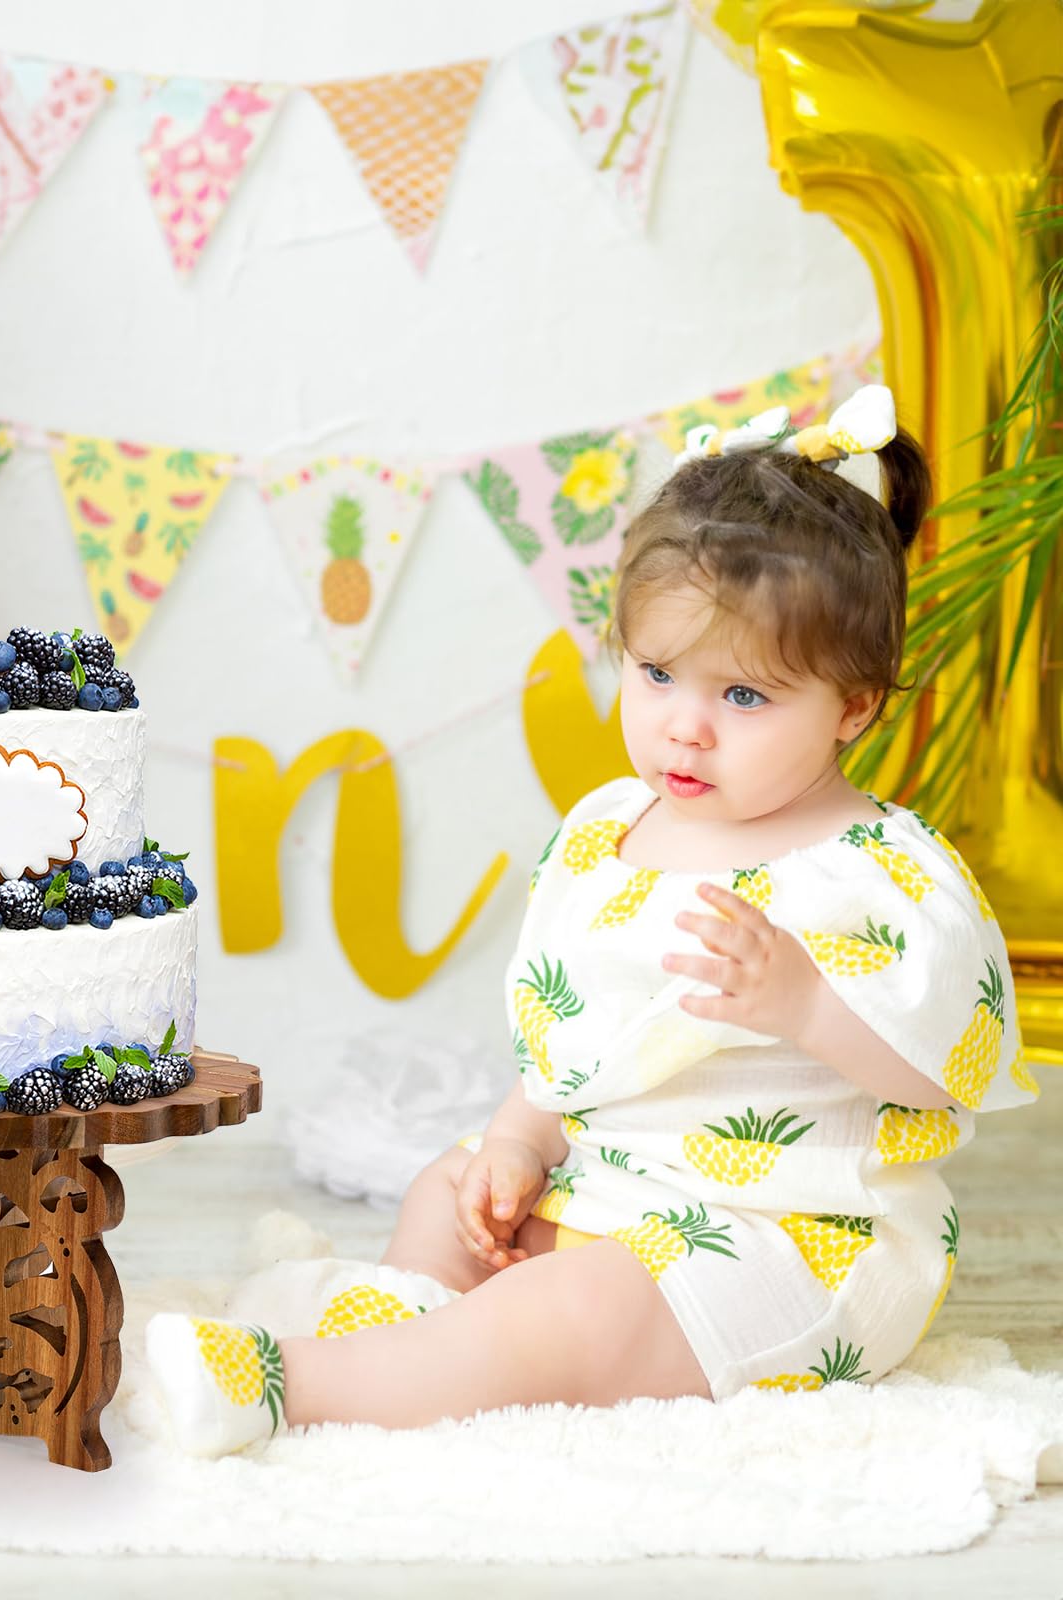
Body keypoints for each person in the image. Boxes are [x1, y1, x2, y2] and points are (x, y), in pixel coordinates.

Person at [145, 385, 1041, 1457]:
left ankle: (299, 1385)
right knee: (451, 1189)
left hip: (786, 1244)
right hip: (617, 1191)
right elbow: (581, 1048)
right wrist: (522, 1142)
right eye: (657, 674)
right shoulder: (610, 830)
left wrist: (806, 1002)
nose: (684, 728)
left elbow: (946, 1067)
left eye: (743, 698)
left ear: (853, 706)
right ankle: (424, 1343)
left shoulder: (881, 871)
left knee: (575, 1311)